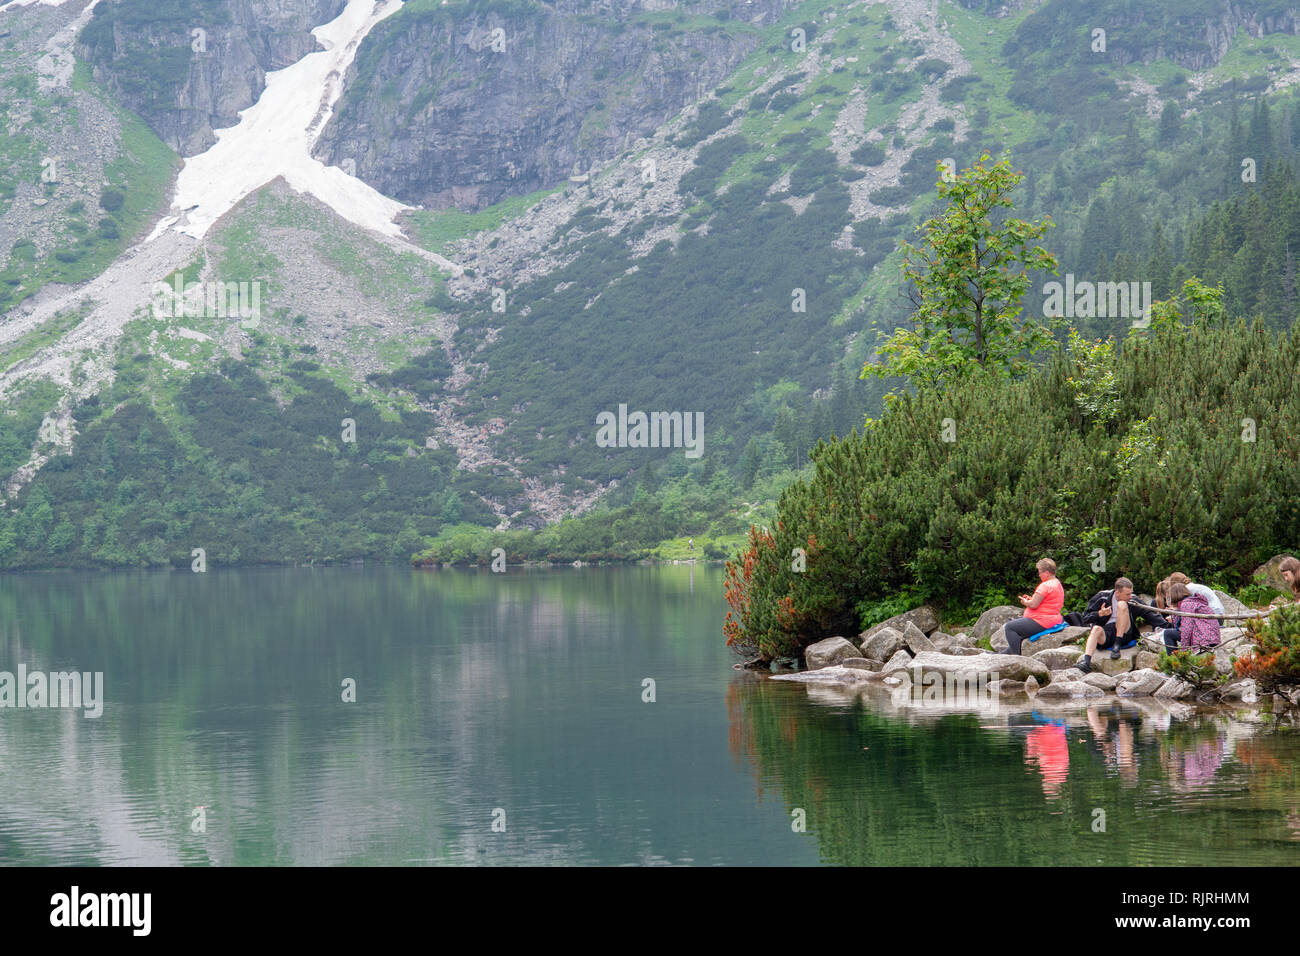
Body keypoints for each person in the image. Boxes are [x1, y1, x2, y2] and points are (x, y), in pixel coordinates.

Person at [1077, 577, 1169, 674]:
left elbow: (1149, 615)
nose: (1130, 596)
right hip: (1106, 633)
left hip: (1125, 633)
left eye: (1131, 593)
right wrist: (1099, 614)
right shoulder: (1102, 597)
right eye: (1127, 594)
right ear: (1117, 592)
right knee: (1095, 629)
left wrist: (1169, 626)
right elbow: (1084, 618)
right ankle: (1086, 662)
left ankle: (1117, 644)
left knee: (1122, 605)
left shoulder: (1133, 600)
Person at [1004, 558, 1065, 655]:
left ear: (1047, 573)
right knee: (1017, 632)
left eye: (1040, 572)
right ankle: (1001, 654)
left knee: (1010, 627)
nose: (1039, 575)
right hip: (1052, 619)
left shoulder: (1045, 585)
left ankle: (1015, 656)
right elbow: (1046, 601)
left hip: (1042, 621)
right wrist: (1031, 599)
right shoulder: (1057, 583)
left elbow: (1033, 605)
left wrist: (1025, 602)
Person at [1157, 581, 1220, 651]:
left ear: (1174, 596)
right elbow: (1179, 627)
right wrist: (1174, 612)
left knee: (1167, 633)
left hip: (1205, 639)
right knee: (1170, 633)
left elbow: (1186, 628)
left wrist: (1184, 651)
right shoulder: (1191, 602)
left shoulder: (1186, 605)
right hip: (1211, 637)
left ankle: (1174, 661)